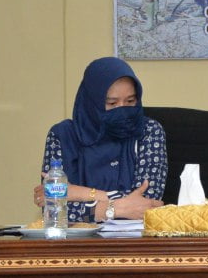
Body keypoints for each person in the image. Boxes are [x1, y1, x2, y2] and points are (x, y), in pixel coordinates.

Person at [33, 57, 167, 223]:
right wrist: (115, 208)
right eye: (112, 103)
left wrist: (76, 193)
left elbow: (146, 203)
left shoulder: (148, 131)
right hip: (75, 238)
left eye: (130, 101)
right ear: (92, 102)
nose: (122, 110)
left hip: (133, 238)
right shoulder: (62, 136)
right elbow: (53, 209)